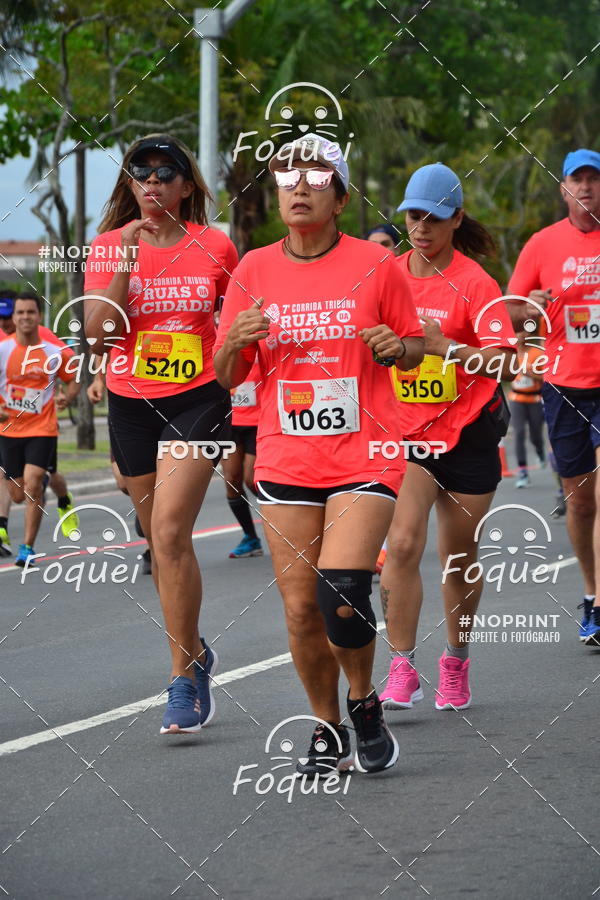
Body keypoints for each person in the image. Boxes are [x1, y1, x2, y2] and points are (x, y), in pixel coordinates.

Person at [214, 133, 424, 775]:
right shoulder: (252, 269)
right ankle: (327, 724)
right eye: (286, 177)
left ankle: (364, 701)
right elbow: (226, 373)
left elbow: (415, 350)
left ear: (338, 195)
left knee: (342, 589)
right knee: (302, 609)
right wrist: (236, 343)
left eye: (314, 177)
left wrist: (396, 346)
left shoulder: (377, 264)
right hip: (286, 458)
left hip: (365, 453)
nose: (299, 186)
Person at [84, 133, 238, 733]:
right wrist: (123, 262)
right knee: (160, 538)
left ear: (186, 186)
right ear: (129, 186)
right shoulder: (105, 248)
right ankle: (197, 651)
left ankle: (181, 677)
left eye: (164, 173)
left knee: (171, 528)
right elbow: (97, 335)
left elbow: (242, 321)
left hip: (198, 396)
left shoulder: (217, 246)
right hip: (131, 401)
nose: (151, 183)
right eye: (139, 174)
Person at [378, 163, 516, 713]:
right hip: (406, 436)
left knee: (457, 556)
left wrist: (446, 350)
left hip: (467, 435)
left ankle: (456, 663)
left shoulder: (476, 282)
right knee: (404, 546)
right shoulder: (386, 274)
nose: (422, 226)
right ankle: (401, 666)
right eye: (414, 215)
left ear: (457, 219)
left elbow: (504, 363)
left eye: (435, 217)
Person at [506, 148, 600, 646]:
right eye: (576, 180)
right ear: (563, 189)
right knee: (581, 504)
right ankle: (590, 593)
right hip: (563, 386)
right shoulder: (542, 245)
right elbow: (515, 324)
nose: (586, 187)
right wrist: (529, 310)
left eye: (593, 179)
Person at [0, 291, 80, 566]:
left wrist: (66, 397)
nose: (25, 318)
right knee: (17, 494)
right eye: (20, 313)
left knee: (33, 483)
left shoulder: (52, 352)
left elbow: (73, 379)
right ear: (14, 317)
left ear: (39, 317)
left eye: (30, 313)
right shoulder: (3, 350)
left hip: (43, 428)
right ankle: (46, 489)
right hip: (9, 430)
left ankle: (27, 548)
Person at [87, 369, 152, 575]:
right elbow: (102, 349)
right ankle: (147, 511)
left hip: (167, 400)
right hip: (126, 405)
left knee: (162, 477)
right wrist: (98, 380)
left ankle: (153, 544)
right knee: (124, 482)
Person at [222, 355, 263, 558]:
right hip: (229, 417)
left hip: (259, 417)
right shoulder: (215, 328)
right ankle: (250, 538)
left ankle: (288, 524)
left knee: (252, 478)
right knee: (231, 480)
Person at [508, 329, 546, 487]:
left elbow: (546, 377)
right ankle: (523, 471)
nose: (519, 336)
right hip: (516, 398)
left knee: (536, 433)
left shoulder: (537, 354)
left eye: (523, 333)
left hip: (535, 398)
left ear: (529, 335)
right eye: (516, 333)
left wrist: (530, 374)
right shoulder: (510, 353)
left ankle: (539, 451)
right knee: (518, 433)